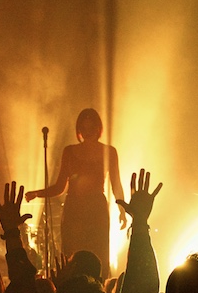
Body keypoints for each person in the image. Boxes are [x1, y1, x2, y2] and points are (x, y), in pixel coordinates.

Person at [25, 109, 126, 279]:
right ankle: (72, 288)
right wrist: (38, 193)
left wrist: (123, 210)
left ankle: (98, 289)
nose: (88, 132)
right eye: (84, 128)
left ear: (97, 129)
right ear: (79, 130)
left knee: (98, 254)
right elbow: (59, 187)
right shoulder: (69, 151)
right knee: (73, 255)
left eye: (91, 128)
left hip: (96, 210)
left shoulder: (109, 152)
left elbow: (116, 184)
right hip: (75, 209)